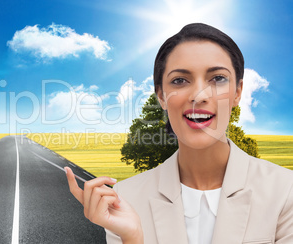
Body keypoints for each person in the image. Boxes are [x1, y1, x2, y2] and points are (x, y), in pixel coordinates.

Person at [65, 23, 293, 243]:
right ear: (162, 97)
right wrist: (133, 239)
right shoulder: (126, 198)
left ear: (237, 93)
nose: (199, 95)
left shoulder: (286, 191)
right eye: (180, 80)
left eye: (217, 78)